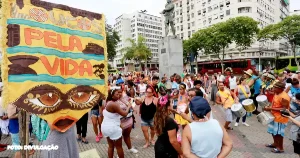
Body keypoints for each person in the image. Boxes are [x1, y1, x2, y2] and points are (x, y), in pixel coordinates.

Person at [101, 88, 132, 158]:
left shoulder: (107, 102)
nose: (119, 95)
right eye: (117, 94)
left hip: (105, 127)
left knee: (111, 146)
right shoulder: (114, 104)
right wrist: (128, 107)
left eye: (119, 94)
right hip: (113, 128)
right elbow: (124, 114)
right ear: (112, 96)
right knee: (119, 147)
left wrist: (120, 99)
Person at [264, 81, 290, 153]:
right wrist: (269, 107)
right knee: (273, 131)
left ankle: (280, 148)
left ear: (280, 89)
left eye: (275, 88)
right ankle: (275, 144)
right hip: (274, 116)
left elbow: (284, 109)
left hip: (281, 118)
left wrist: (270, 109)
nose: (273, 89)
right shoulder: (277, 93)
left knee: (279, 133)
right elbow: (274, 103)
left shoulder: (284, 97)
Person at [117, 89, 138, 154]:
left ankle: (130, 148)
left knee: (127, 135)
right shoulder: (113, 101)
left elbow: (131, 104)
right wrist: (129, 107)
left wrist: (133, 107)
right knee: (118, 138)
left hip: (128, 120)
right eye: (118, 93)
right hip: (119, 122)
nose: (120, 94)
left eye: (121, 92)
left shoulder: (125, 98)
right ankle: (119, 152)